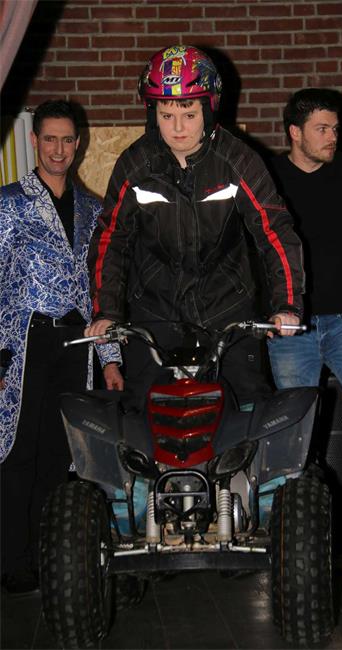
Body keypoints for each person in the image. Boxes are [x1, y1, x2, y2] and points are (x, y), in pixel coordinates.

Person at [85, 44, 305, 410]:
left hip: (227, 312)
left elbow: (274, 231)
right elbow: (111, 240)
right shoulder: (135, 165)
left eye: (188, 114)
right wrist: (106, 312)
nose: (177, 128)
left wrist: (287, 305)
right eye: (166, 114)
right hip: (154, 316)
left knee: (248, 414)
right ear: (152, 112)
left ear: (209, 108)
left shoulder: (238, 160)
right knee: (143, 419)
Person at [0, 100, 123, 595]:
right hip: (23, 343)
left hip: (77, 345)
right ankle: (12, 561)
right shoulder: (8, 203)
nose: (58, 149)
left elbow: (102, 291)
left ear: (78, 143)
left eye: (67, 139)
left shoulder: (93, 210)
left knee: (61, 455)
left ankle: (48, 559)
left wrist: (110, 357)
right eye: (49, 138)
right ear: (34, 141)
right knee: (17, 451)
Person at [267, 88, 342, 574]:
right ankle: (300, 545)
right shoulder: (270, 176)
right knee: (293, 440)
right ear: (295, 132)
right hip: (293, 331)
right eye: (323, 129)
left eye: (336, 128)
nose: (334, 136)